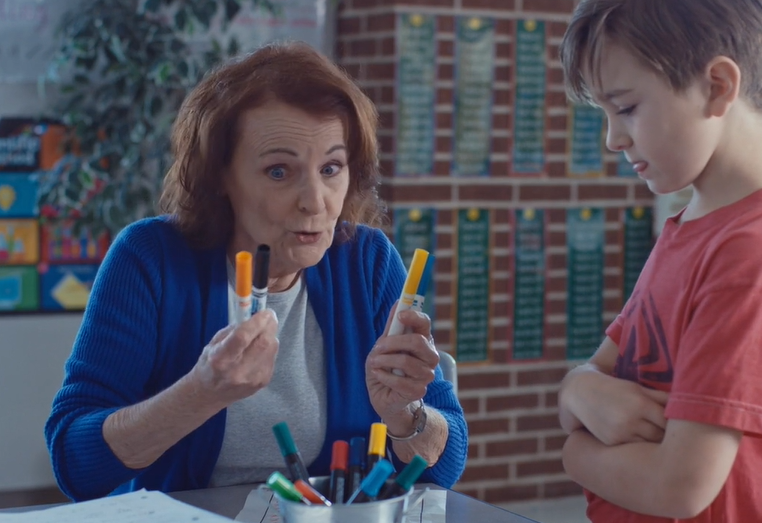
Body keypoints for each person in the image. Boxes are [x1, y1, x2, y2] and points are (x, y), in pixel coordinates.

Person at [44, 42, 467, 501]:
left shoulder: (366, 261)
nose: (315, 200)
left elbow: (445, 468)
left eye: (331, 167)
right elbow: (75, 465)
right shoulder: (150, 258)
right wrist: (199, 393)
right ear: (220, 177)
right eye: (279, 171)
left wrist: (405, 414)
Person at [557, 1, 762, 522]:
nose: (613, 139)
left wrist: (576, 453)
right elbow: (592, 376)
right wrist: (579, 386)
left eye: (627, 107)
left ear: (718, 87)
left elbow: (679, 488)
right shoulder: (690, 226)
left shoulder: (754, 253)